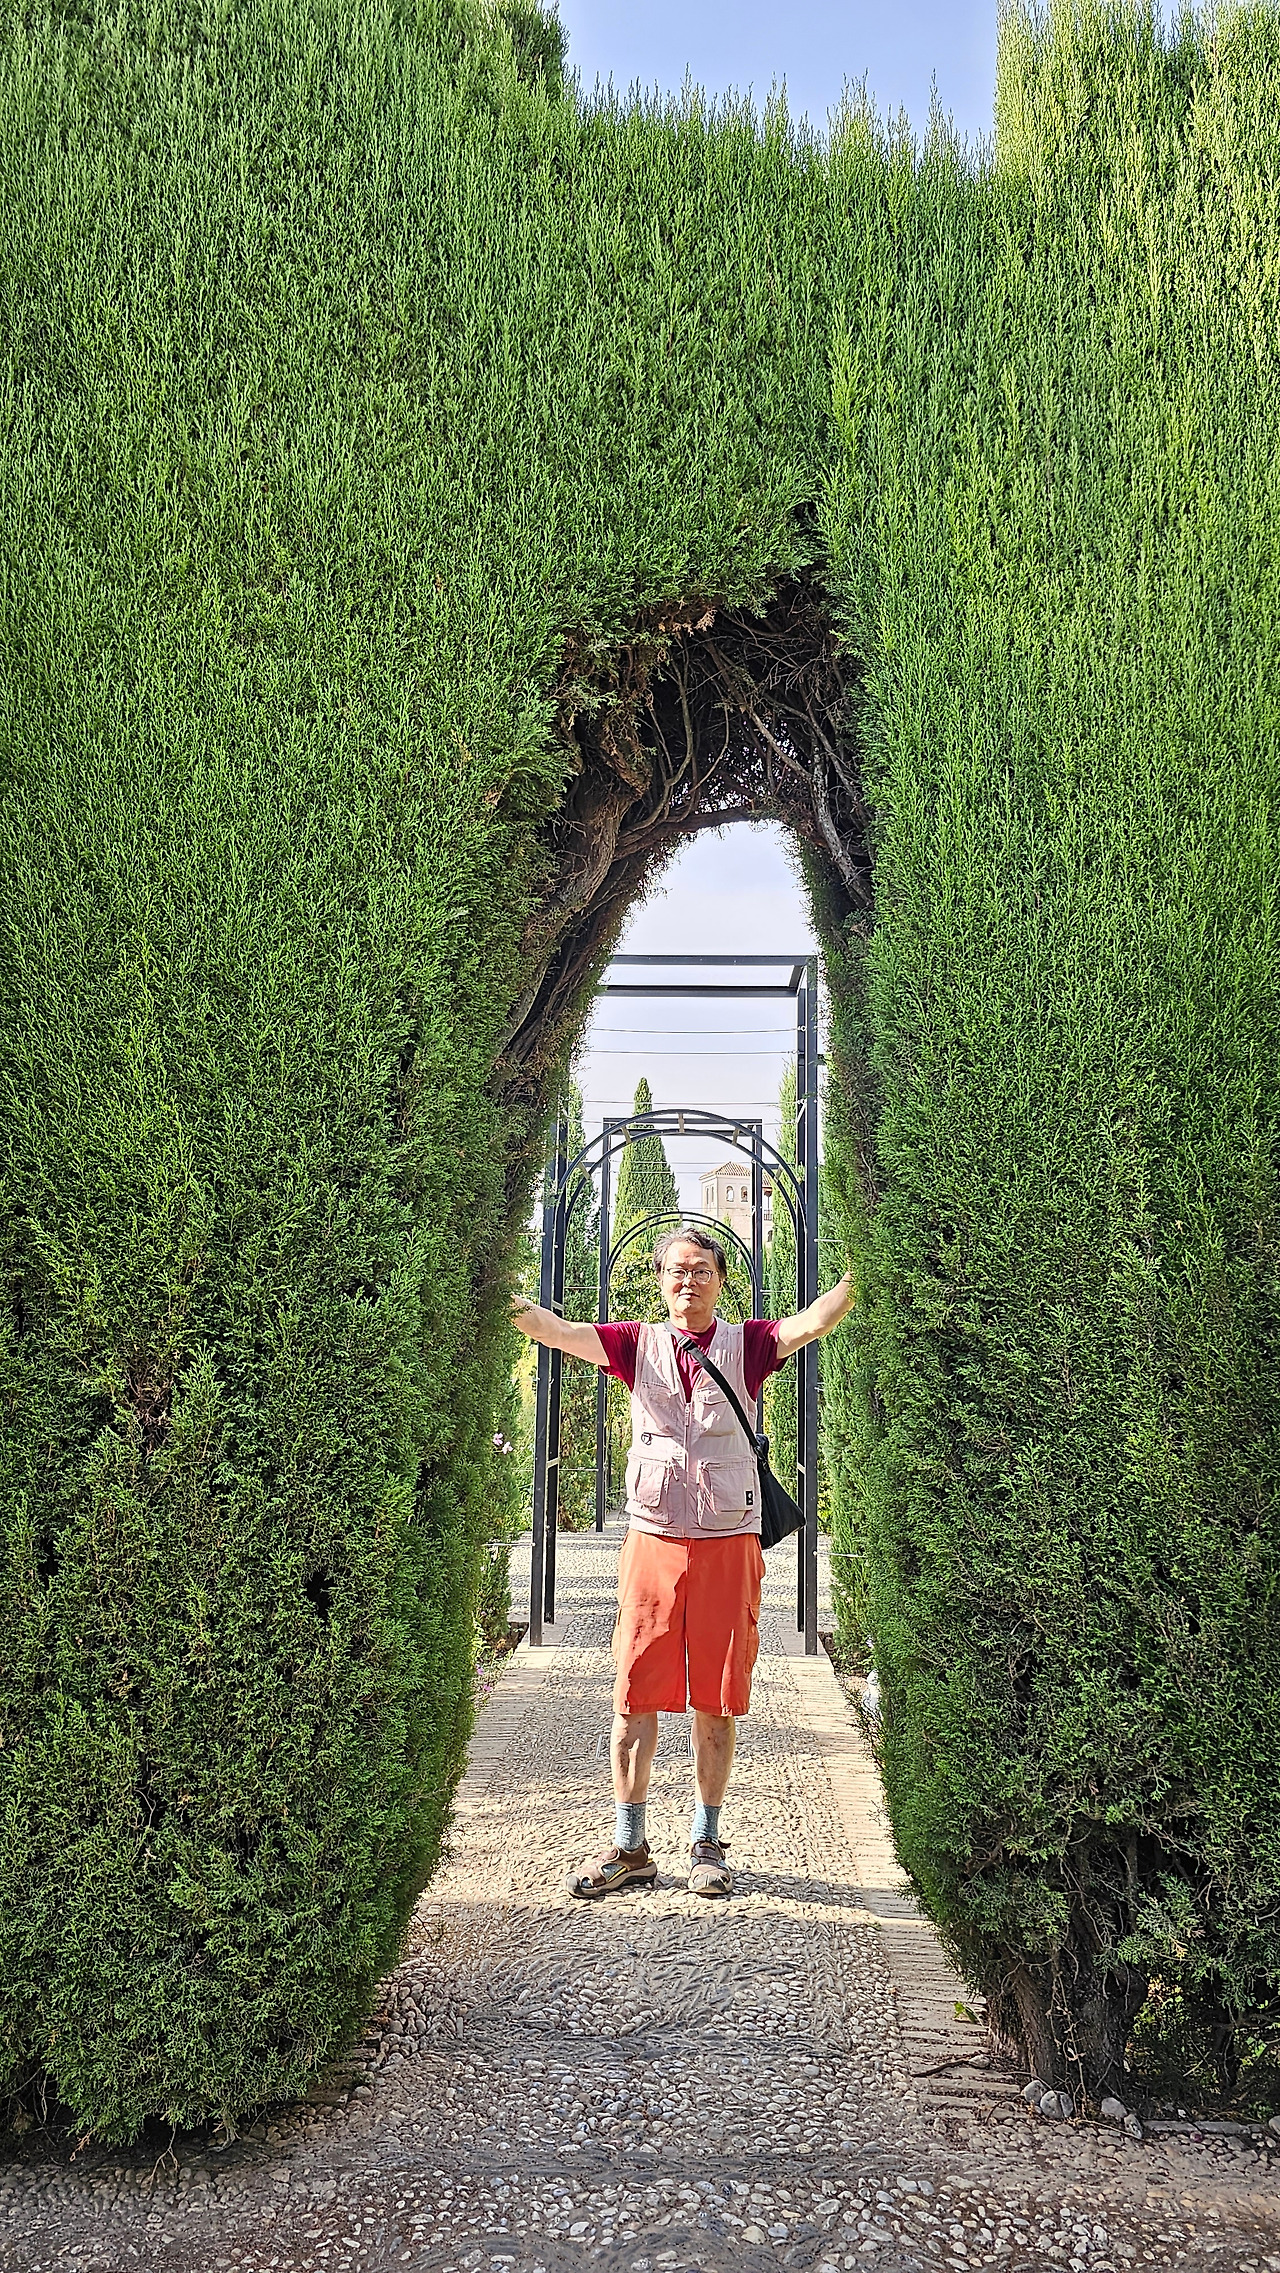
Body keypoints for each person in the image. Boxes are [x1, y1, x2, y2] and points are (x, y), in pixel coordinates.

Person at [512, 1224, 855, 1899]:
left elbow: (814, 1321)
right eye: (677, 1269)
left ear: (721, 1282)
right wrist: (499, 1291)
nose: (688, 1281)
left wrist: (862, 1271)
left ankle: (707, 1841)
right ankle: (630, 1846)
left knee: (718, 1697)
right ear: (661, 1280)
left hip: (728, 1541)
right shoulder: (634, 1344)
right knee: (633, 1693)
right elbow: (555, 1330)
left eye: (701, 1270)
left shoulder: (749, 1344)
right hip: (654, 1539)